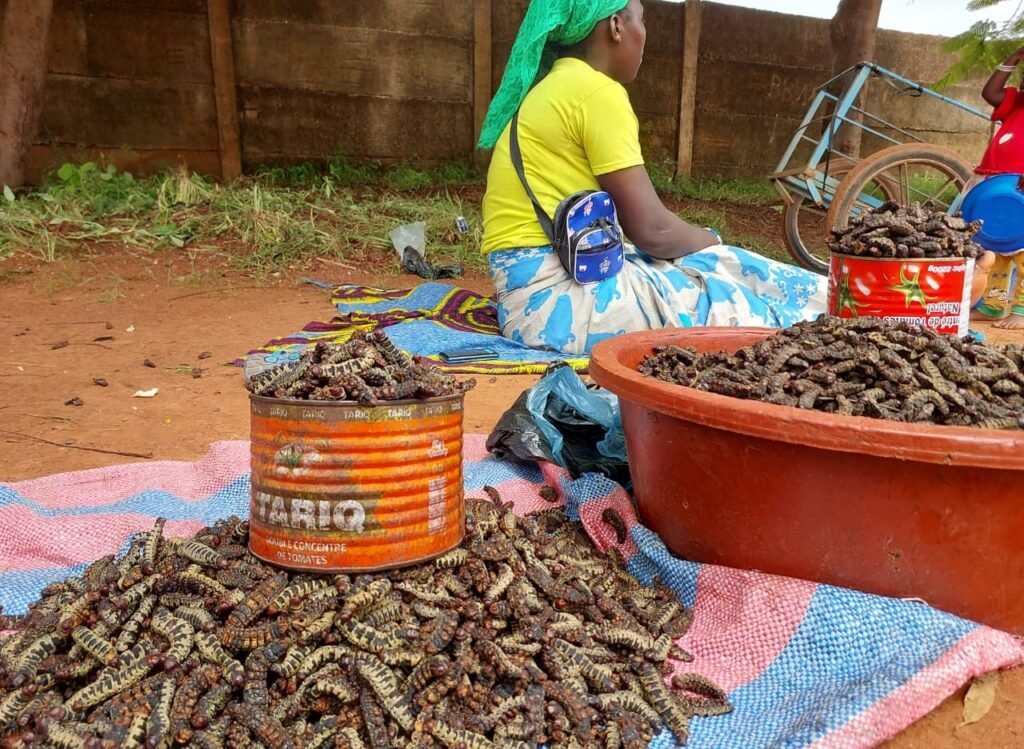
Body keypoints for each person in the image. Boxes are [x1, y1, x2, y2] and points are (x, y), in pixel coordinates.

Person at [478, 0, 828, 356]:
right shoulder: (595, 92)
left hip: (527, 302)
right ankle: (855, 313)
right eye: (642, 20)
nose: (644, 35)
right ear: (616, 26)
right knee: (749, 310)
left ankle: (850, 306)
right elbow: (654, 233)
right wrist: (711, 239)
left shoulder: (557, 86)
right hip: (557, 311)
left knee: (715, 265)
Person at [968, 46, 1024, 330]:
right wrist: (1013, 59)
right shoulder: (1015, 104)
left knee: (1023, 255)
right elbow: (990, 93)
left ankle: (1022, 311)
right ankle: (992, 306)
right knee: (995, 250)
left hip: (1020, 193)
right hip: (995, 189)